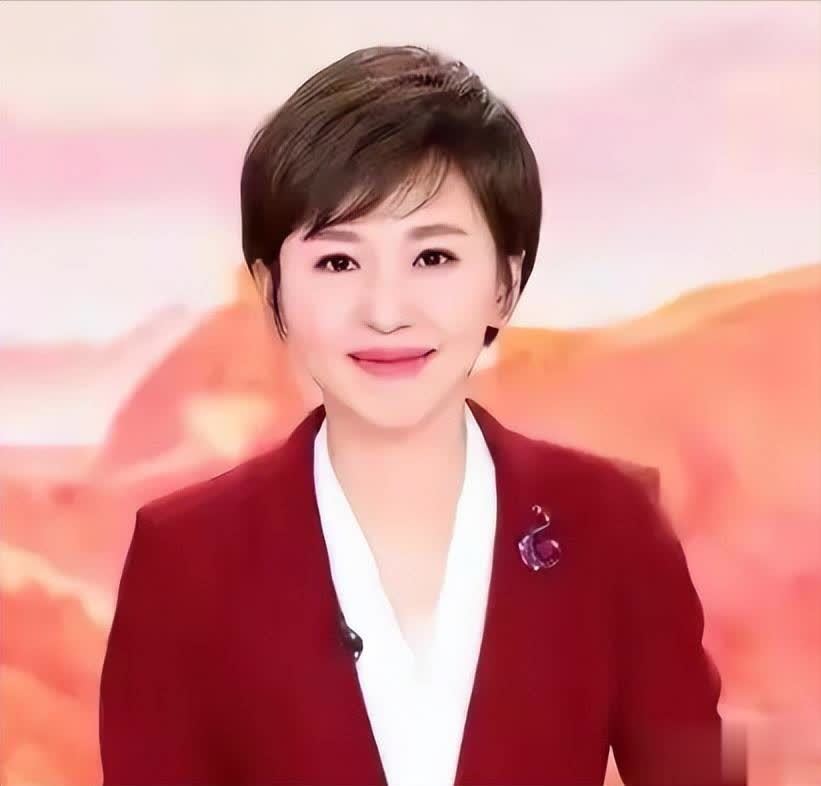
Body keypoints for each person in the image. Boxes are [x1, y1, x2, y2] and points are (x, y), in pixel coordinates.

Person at [98, 45, 746, 786]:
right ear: (271, 289)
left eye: (432, 258)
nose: (386, 311)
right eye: (338, 262)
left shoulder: (612, 524)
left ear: (504, 284)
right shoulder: (183, 557)